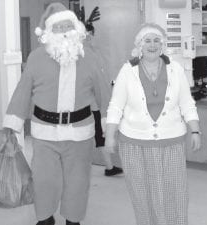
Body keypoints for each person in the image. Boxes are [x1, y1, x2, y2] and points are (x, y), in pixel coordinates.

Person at [0, 3, 109, 225]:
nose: (64, 31)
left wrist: (109, 123)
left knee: (78, 182)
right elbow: (22, 92)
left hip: (80, 134)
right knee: (44, 181)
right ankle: (45, 219)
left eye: (68, 25)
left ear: (75, 28)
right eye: (58, 27)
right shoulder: (37, 57)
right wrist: (10, 126)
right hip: (44, 134)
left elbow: (104, 90)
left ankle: (73, 220)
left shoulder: (90, 57)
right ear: (48, 32)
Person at [104, 23, 201, 225]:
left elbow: (186, 103)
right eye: (147, 40)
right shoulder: (127, 71)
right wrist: (110, 136)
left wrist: (195, 130)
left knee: (175, 193)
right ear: (139, 45)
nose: (152, 44)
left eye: (157, 40)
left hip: (171, 141)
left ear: (163, 45)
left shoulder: (175, 69)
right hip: (134, 142)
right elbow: (116, 106)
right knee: (142, 194)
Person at [78, 6, 123, 176]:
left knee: (100, 136)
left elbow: (102, 80)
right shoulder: (78, 55)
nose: (89, 38)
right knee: (88, 137)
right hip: (88, 105)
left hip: (100, 103)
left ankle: (110, 167)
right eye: (85, 35)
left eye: (90, 34)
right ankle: (105, 167)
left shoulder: (95, 53)